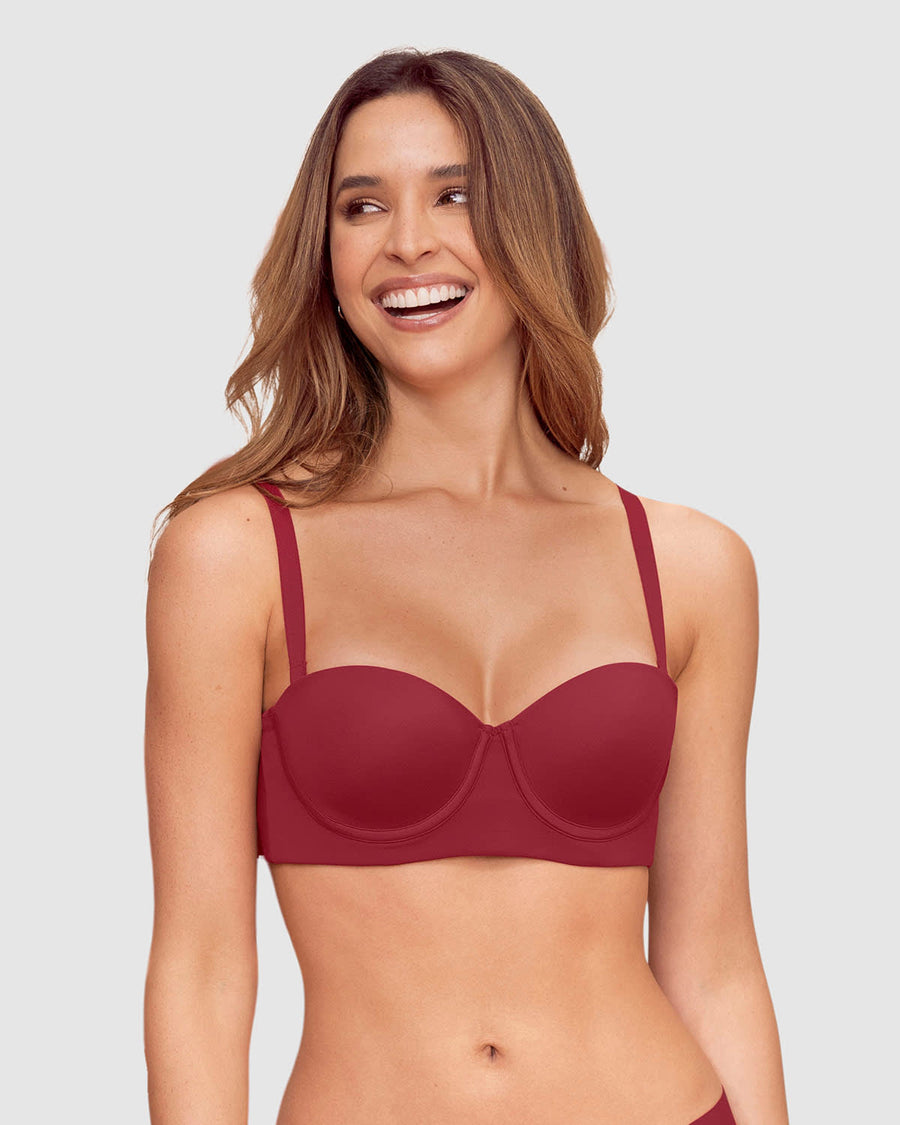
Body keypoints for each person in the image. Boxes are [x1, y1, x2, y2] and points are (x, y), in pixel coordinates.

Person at [143, 47, 789, 1125]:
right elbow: (201, 971)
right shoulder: (236, 556)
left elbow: (715, 962)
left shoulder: (691, 568)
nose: (408, 241)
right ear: (325, 257)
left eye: (455, 195)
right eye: (362, 206)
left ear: (537, 229)